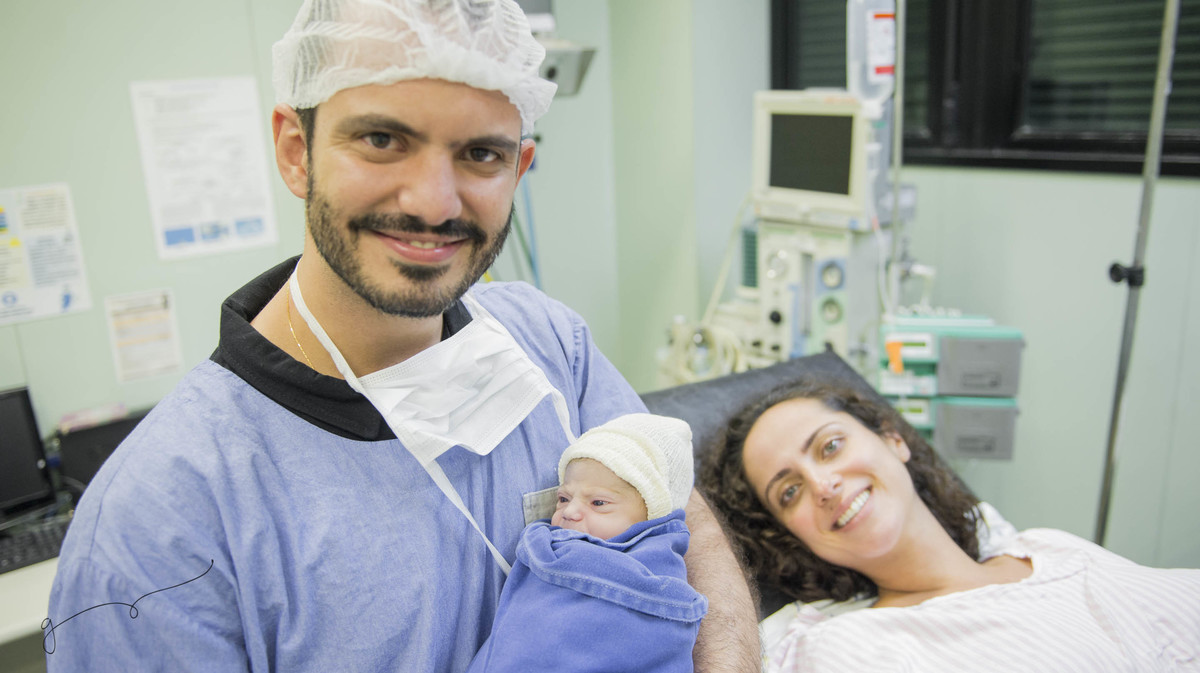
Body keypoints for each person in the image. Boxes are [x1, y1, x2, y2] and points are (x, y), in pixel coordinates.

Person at [45, 1, 758, 671]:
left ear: (519, 169)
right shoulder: (155, 524)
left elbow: (678, 514)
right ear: (296, 151)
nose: (434, 203)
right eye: (383, 140)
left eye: (481, 154)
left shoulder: (550, 344)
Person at [701, 377, 1200, 672]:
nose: (823, 484)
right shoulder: (846, 646)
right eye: (789, 492)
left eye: (830, 446)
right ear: (793, 537)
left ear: (894, 440)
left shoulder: (1051, 550)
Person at [467, 413, 708, 672]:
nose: (570, 512)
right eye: (563, 498)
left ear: (652, 516)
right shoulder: (547, 547)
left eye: (598, 503)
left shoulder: (660, 579)